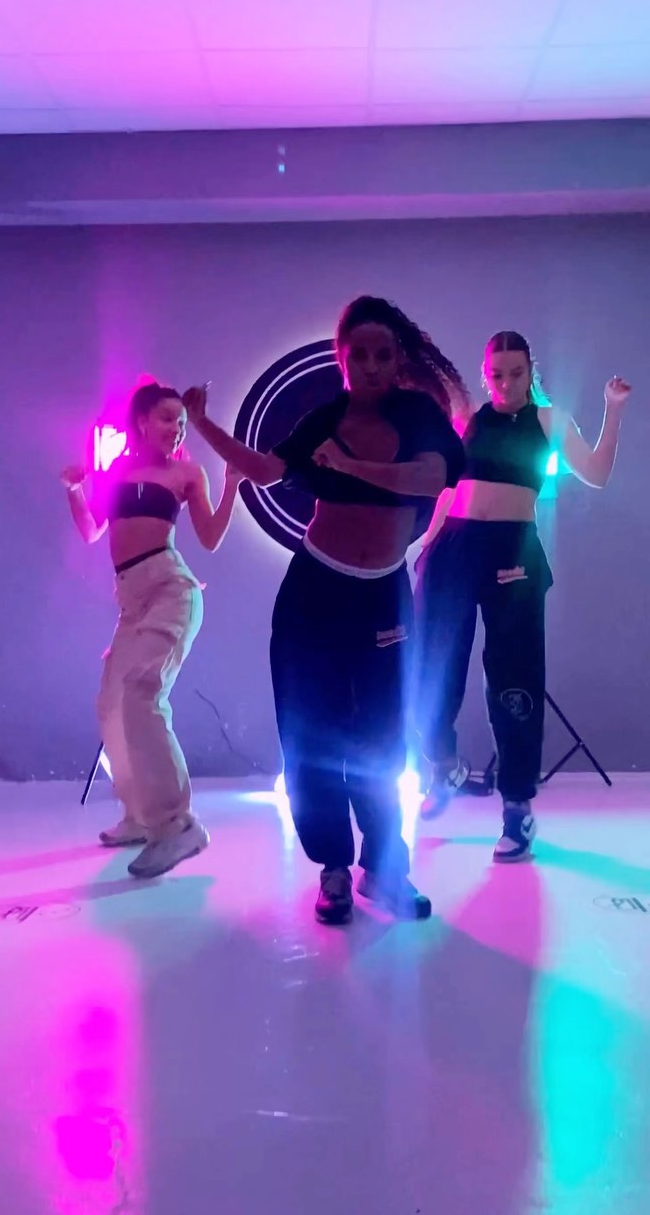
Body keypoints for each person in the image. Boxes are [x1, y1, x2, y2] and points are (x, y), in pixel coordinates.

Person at [183, 296, 467, 924]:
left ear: (397, 359)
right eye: (358, 355)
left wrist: (349, 465)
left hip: (382, 594)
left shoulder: (418, 414)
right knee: (311, 733)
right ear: (343, 360)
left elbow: (428, 479)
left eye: (382, 354)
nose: (371, 366)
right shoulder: (324, 420)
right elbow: (264, 470)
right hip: (314, 591)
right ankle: (333, 868)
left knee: (382, 737)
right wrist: (202, 425)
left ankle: (383, 869)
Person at [414, 330, 631, 861]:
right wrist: (427, 545)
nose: (506, 384)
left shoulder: (549, 421)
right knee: (431, 665)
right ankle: (444, 765)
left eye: (516, 373)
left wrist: (612, 409)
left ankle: (517, 808)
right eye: (496, 375)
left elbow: (597, 474)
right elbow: (449, 490)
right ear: (485, 374)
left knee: (514, 676)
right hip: (454, 548)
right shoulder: (471, 421)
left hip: (513, 551)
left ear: (530, 371)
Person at [61, 381, 241, 879]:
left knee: (142, 692)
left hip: (170, 590)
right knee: (111, 703)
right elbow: (91, 530)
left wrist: (232, 486)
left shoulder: (186, 473)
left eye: (181, 422)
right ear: (142, 422)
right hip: (132, 601)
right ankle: (140, 816)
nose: (177, 429)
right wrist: (74, 489)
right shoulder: (116, 472)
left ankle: (176, 824)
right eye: (167, 419)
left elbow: (209, 537)